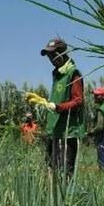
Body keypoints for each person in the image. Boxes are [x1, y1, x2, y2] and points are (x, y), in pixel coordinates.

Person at [30, 38, 85, 178]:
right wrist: (43, 102)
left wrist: (57, 107)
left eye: (53, 55)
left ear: (62, 53)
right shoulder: (57, 73)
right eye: (49, 56)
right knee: (51, 169)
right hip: (54, 130)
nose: (51, 59)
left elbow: (78, 101)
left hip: (67, 132)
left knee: (65, 173)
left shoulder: (73, 73)